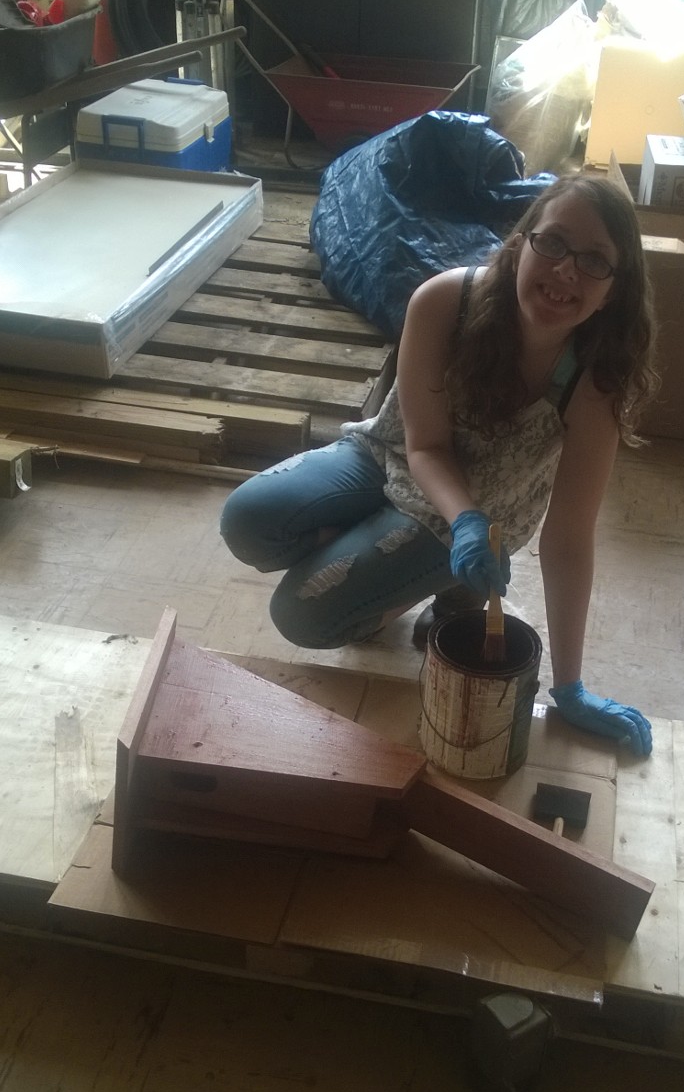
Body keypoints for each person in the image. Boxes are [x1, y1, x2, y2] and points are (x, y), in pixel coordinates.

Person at [220, 173, 659, 757]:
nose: (566, 271)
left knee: (301, 616)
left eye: (595, 260)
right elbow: (424, 445)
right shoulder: (445, 303)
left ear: (613, 290)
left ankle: (446, 582)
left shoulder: (592, 381)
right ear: (519, 243)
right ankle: (404, 567)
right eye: (552, 242)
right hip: (389, 455)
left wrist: (569, 687)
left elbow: (569, 540)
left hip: (476, 512)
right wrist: (462, 523)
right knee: (247, 518)